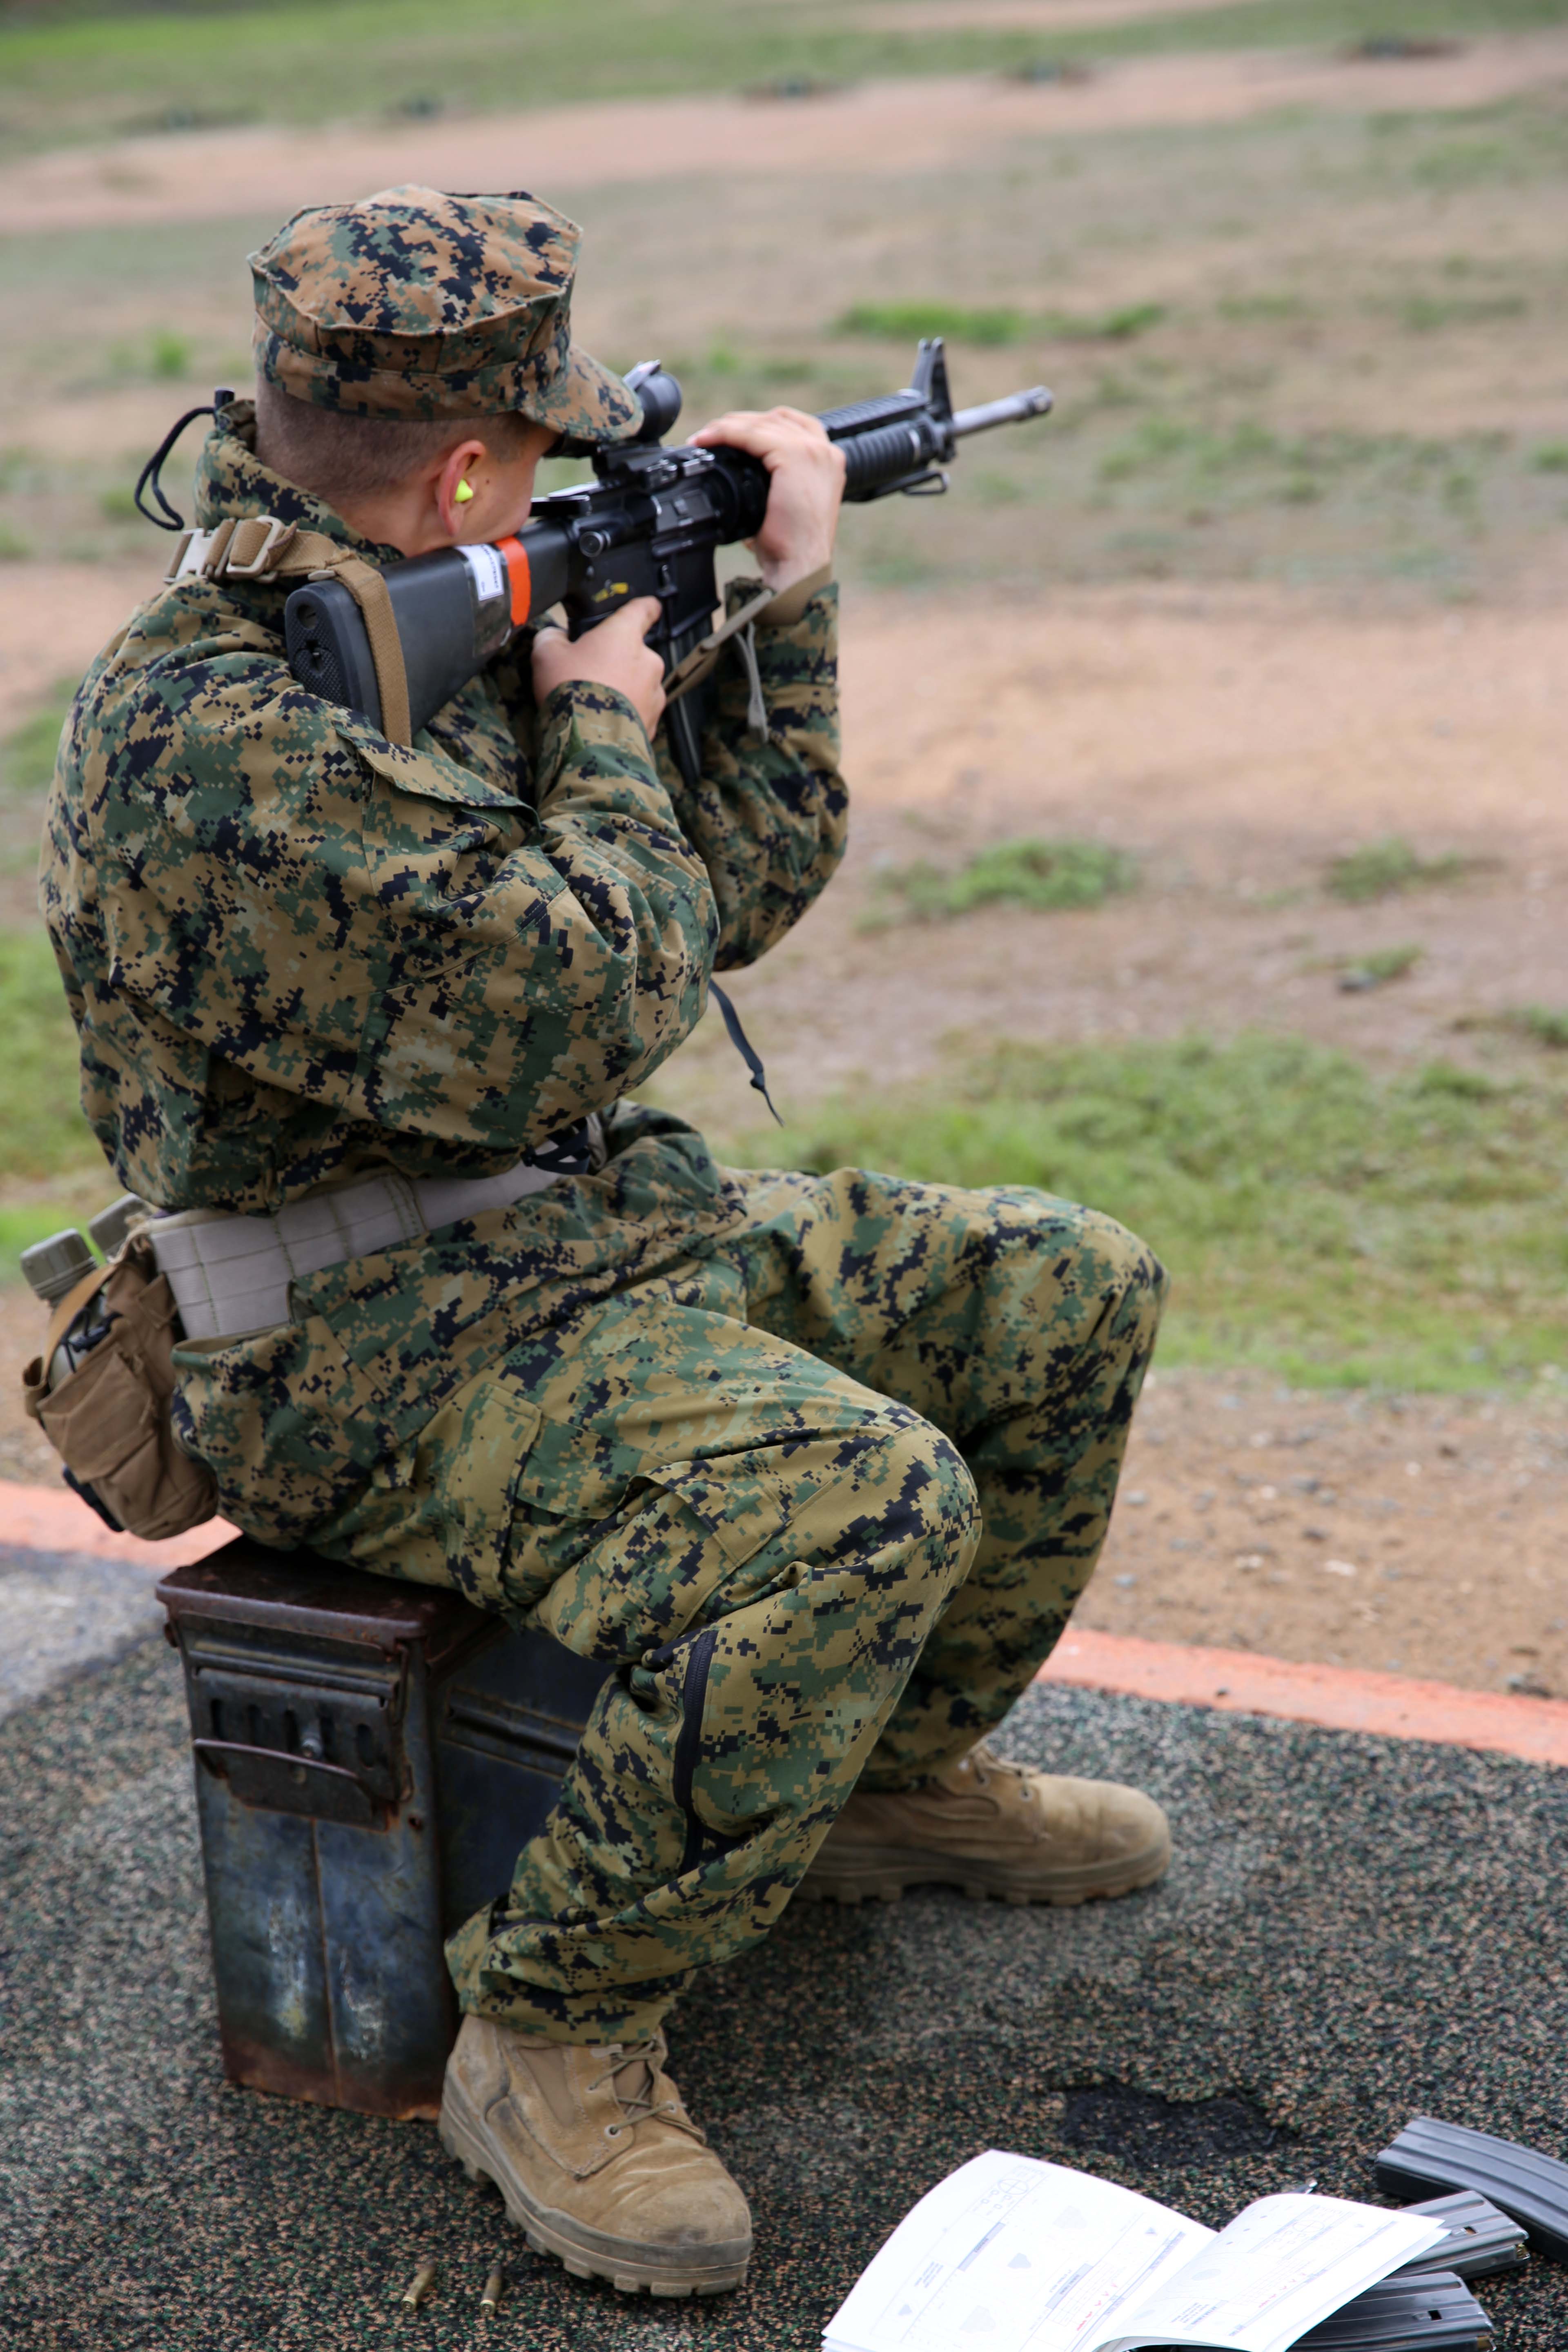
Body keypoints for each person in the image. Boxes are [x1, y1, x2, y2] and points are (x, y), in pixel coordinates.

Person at [42, 185, 1171, 2299]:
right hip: (354, 1341)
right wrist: (603, 716)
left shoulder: (440, 602)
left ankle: (874, 1781)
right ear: (472, 468)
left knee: (1064, 1290)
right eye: (547, 451)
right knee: (853, 1504)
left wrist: (776, 605)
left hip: (565, 1236)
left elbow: (719, 895)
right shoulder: (214, 740)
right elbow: (581, 998)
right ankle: (550, 2032)